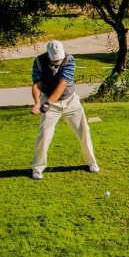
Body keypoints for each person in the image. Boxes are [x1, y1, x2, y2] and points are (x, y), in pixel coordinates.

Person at [30, 40, 99, 179]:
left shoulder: (69, 60)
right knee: (44, 135)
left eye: (60, 57)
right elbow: (37, 84)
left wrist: (47, 103)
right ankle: (37, 168)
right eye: (55, 58)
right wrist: (37, 103)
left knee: (84, 132)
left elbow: (62, 85)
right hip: (49, 102)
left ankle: (91, 162)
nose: (59, 60)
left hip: (70, 102)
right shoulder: (39, 61)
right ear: (48, 55)